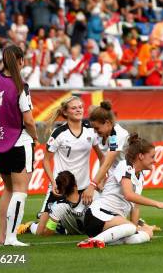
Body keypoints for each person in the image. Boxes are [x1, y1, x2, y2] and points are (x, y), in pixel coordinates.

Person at [18, 96, 104, 236]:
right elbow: (45, 161)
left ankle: (62, 227)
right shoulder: (59, 134)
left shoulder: (90, 129)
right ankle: (31, 226)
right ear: (65, 112)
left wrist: (97, 181)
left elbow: (102, 157)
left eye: (80, 107)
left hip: (84, 188)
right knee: (42, 232)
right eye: (74, 108)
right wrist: (53, 183)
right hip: (62, 188)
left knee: (91, 225)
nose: (78, 110)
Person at [77, 134, 163, 248]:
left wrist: (135, 228)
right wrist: (158, 204)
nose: (154, 161)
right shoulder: (125, 165)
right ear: (141, 156)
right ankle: (95, 240)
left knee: (147, 233)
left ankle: (102, 240)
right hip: (98, 216)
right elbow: (129, 195)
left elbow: (135, 207)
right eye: (152, 156)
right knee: (132, 229)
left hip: (113, 221)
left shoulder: (141, 175)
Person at [0, 45, 38, 246]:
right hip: (18, 140)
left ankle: (2, 236)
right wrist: (36, 137)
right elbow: (29, 121)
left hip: (0, 142)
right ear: (21, 61)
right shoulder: (21, 85)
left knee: (8, 189)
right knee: (20, 190)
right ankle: (12, 237)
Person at [83, 101, 131, 206]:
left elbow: (108, 163)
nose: (95, 132)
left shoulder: (118, 135)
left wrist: (92, 185)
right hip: (114, 175)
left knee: (115, 209)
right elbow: (103, 159)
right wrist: (101, 180)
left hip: (127, 176)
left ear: (108, 123)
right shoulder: (103, 133)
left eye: (97, 128)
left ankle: (137, 222)